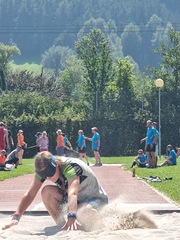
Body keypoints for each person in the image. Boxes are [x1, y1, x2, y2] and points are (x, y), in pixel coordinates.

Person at [2, 151, 108, 231]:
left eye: (50, 172)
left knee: (84, 212)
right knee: (46, 192)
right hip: (76, 200)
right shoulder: (44, 170)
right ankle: (63, 225)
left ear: (56, 164)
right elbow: (30, 194)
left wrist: (71, 214)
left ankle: (100, 224)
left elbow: (73, 192)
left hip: (95, 199)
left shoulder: (71, 167)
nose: (48, 177)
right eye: (44, 175)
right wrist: (17, 215)